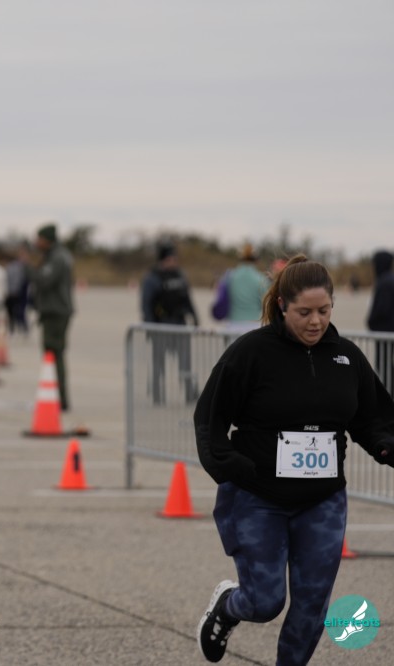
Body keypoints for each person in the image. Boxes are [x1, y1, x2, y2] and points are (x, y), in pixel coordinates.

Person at [193, 255, 394, 665]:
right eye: (305, 312)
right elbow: (210, 417)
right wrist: (226, 463)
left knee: (311, 609)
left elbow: (373, 418)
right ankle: (228, 607)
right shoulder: (251, 353)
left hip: (323, 501)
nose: (315, 322)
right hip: (258, 496)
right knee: (264, 601)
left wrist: (385, 444)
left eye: (324, 311)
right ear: (283, 305)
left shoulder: (346, 358)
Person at [141, 239, 199, 405]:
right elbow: (146, 305)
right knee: (158, 364)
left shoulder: (180, 276)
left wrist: (195, 317)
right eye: (169, 259)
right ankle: (157, 394)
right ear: (162, 260)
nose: (173, 262)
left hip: (180, 325)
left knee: (185, 363)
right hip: (161, 326)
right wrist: (150, 326)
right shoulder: (152, 278)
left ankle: (189, 392)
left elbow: (187, 299)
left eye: (174, 259)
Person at [30, 223, 75, 410]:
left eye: (40, 239)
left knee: (53, 353)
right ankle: (56, 397)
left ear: (47, 240)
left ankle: (59, 398)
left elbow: (44, 280)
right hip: (54, 310)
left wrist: (28, 269)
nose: (37, 242)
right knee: (53, 354)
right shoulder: (56, 255)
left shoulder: (57, 257)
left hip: (56, 312)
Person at [211, 243, 270, 335]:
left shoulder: (229, 277)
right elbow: (264, 303)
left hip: (233, 326)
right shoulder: (261, 279)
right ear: (256, 260)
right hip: (254, 326)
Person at [366, 249, 394, 394]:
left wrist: (371, 322)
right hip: (388, 332)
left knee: (384, 366)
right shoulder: (389, 280)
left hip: (385, 332)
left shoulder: (384, 282)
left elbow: (381, 309)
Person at [4, 244, 31, 336]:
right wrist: (10, 291)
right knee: (12, 312)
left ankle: (24, 329)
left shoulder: (28, 268)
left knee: (21, 312)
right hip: (13, 293)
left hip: (23, 294)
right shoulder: (13, 267)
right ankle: (13, 329)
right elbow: (8, 279)